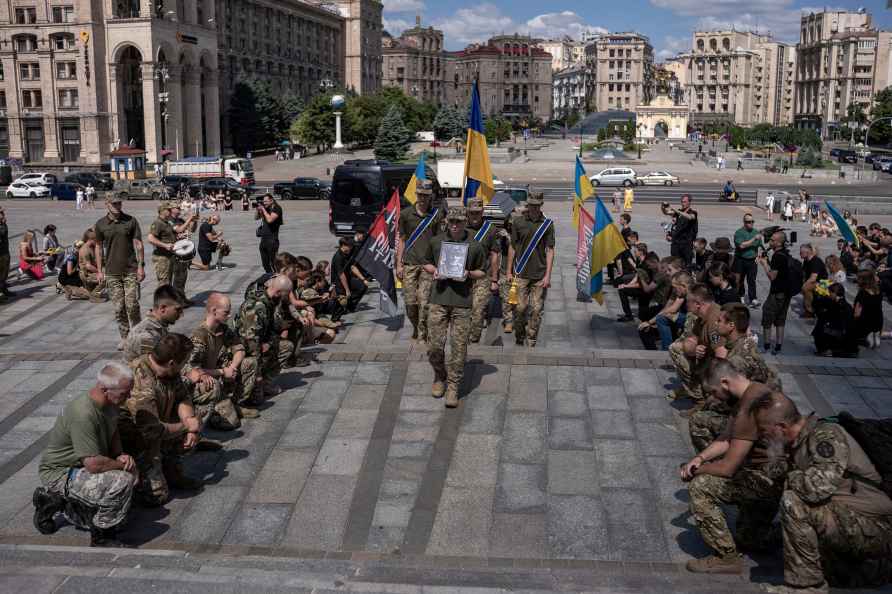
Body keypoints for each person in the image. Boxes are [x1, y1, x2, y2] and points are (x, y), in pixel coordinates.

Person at [752, 394, 892, 593]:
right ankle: (875, 569)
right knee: (837, 574)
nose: (762, 436)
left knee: (794, 502)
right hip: (854, 519)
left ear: (781, 427)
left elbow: (817, 488)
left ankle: (807, 587)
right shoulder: (797, 442)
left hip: (878, 526)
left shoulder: (825, 436)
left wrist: (790, 476)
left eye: (764, 431)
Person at [681, 365, 788, 574]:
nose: (715, 398)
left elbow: (727, 468)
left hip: (766, 481)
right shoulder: (753, 391)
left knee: (700, 487)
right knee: (750, 540)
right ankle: (782, 532)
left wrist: (697, 471)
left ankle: (726, 558)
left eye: (713, 392)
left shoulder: (749, 407)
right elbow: (726, 438)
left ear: (724, 383)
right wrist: (699, 458)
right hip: (767, 476)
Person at [34, 361, 138, 547]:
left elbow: (113, 430)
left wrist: (120, 454)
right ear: (105, 389)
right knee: (122, 481)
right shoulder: (83, 414)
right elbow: (93, 464)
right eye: (124, 393)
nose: (129, 396)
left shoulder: (112, 403)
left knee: (124, 509)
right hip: (61, 472)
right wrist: (124, 466)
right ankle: (102, 536)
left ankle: (70, 504)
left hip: (82, 465)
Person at [119, 334, 207, 506]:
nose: (186, 366)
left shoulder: (169, 371)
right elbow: (151, 431)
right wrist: (186, 426)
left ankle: (171, 468)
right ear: (172, 362)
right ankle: (131, 483)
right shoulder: (141, 380)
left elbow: (182, 397)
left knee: (192, 419)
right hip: (138, 441)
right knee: (157, 497)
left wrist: (191, 426)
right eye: (185, 362)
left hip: (161, 429)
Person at [422, 207, 487, 407]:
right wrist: (435, 271)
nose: (455, 225)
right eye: (452, 222)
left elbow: (482, 272)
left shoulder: (474, 245)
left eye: (459, 221)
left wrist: (468, 274)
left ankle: (453, 386)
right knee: (434, 346)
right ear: (447, 223)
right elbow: (426, 263)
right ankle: (440, 376)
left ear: (465, 221)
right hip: (439, 299)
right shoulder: (436, 242)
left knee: (458, 349)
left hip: (462, 303)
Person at [187, 293, 259, 430]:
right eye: (226, 312)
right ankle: (211, 414)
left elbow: (240, 349)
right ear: (214, 311)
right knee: (231, 424)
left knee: (250, 362)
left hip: (222, 375)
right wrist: (221, 372)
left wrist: (232, 367)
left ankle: (236, 404)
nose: (230, 315)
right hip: (207, 382)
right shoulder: (199, 337)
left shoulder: (223, 329)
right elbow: (192, 370)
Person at [94, 195, 144, 347]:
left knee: (132, 305)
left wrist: (141, 266)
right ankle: (125, 336)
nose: (117, 206)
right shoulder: (101, 224)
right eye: (114, 203)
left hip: (130, 269)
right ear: (107, 204)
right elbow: (97, 246)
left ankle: (137, 335)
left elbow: (139, 244)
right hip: (111, 271)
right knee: (118, 307)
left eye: (119, 203)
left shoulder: (130, 221)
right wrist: (99, 270)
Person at [396, 180, 443, 342]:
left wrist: (439, 265)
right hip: (409, 264)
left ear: (430, 197)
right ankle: (416, 327)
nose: (423, 198)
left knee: (424, 304)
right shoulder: (406, 214)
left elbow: (439, 242)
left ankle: (424, 334)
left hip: (427, 266)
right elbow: (401, 240)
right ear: (416, 195)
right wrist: (398, 265)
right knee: (410, 304)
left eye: (426, 196)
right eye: (420, 195)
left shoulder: (436, 215)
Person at [506, 192, 554, 347]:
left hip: (539, 274)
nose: (534, 207)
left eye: (537, 205)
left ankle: (531, 338)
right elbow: (512, 247)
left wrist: (548, 276)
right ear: (528, 205)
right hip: (520, 273)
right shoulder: (518, 222)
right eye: (531, 204)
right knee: (519, 308)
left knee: (536, 309)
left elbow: (550, 250)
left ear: (541, 205)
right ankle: (519, 335)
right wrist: (508, 271)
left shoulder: (547, 224)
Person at [237, 274, 293, 399]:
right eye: (286, 294)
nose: (287, 297)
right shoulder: (256, 307)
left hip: (261, 344)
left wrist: (270, 342)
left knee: (286, 346)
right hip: (245, 351)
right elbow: (251, 342)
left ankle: (265, 384)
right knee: (257, 400)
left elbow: (273, 328)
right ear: (278, 292)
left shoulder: (270, 301)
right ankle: (246, 390)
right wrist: (257, 374)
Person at [667, 284, 723, 406]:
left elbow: (722, 355)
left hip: (721, 366)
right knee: (676, 348)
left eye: (688, 301)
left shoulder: (714, 320)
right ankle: (696, 391)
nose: (686, 304)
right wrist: (695, 348)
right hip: (709, 358)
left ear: (698, 304)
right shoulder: (701, 317)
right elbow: (690, 340)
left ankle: (702, 400)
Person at [465, 199, 499, 343]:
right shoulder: (461, 227)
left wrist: (494, 280)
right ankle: (463, 339)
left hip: (482, 276)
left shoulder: (490, 229)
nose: (474, 216)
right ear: (467, 212)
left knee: (478, 311)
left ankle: (474, 340)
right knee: (463, 312)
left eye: (477, 213)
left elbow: (495, 254)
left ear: (482, 212)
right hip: (462, 277)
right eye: (472, 213)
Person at [122, 285, 183, 363]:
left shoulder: (159, 326)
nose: (181, 314)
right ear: (162, 308)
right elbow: (162, 366)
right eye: (178, 309)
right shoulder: (146, 336)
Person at [638, 270, 692, 351]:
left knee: (662, 318)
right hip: (686, 319)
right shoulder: (682, 293)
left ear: (683, 286)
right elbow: (670, 308)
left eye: (675, 287)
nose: (674, 290)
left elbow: (673, 310)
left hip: (693, 320)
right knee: (659, 319)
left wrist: (652, 321)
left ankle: (666, 350)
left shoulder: (692, 293)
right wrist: (650, 322)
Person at [759, 231, 791, 355]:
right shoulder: (785, 254)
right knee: (780, 319)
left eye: (772, 240)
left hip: (777, 293)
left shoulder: (778, 256)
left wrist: (764, 264)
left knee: (767, 316)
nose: (770, 241)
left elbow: (772, 276)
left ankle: (766, 346)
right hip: (786, 293)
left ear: (778, 242)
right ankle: (778, 346)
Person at [812, 283, 858, 357]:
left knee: (820, 327)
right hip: (841, 333)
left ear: (835, 293)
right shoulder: (838, 303)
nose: (829, 295)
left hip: (841, 335)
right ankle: (828, 349)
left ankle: (829, 350)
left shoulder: (842, 306)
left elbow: (842, 324)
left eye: (830, 293)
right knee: (821, 323)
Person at [331, 236, 369, 313]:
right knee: (344, 296)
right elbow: (341, 275)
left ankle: (350, 306)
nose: (351, 248)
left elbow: (352, 267)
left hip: (348, 278)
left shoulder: (348, 254)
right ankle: (342, 308)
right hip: (339, 281)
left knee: (362, 287)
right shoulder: (338, 257)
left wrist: (363, 279)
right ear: (343, 245)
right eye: (350, 246)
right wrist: (347, 290)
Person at [169, 202, 197, 304]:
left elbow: (191, 229)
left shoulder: (180, 220)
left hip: (183, 251)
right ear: (171, 209)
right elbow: (179, 229)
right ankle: (178, 300)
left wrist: (194, 221)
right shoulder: (170, 220)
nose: (179, 209)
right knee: (178, 277)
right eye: (177, 207)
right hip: (176, 252)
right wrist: (189, 218)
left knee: (183, 276)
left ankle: (182, 297)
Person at [733, 213, 762, 307]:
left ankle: (753, 298)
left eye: (752, 221)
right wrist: (753, 239)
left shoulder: (755, 232)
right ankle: (741, 295)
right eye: (749, 222)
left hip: (752, 260)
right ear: (744, 222)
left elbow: (759, 246)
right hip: (740, 259)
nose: (751, 223)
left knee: (751, 280)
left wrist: (759, 256)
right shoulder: (739, 232)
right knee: (740, 279)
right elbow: (741, 245)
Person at [147, 202, 177, 286]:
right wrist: (165, 245)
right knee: (163, 283)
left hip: (168, 256)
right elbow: (150, 238)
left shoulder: (167, 222)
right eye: (169, 209)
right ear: (162, 211)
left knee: (168, 281)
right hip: (161, 257)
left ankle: (167, 298)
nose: (171, 211)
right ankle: (162, 298)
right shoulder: (158, 223)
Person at [662, 195, 698, 266]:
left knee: (687, 264)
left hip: (687, 244)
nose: (682, 203)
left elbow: (689, 217)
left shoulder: (693, 212)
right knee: (675, 263)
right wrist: (663, 206)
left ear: (689, 202)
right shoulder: (678, 212)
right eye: (682, 202)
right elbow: (666, 212)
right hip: (676, 243)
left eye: (684, 202)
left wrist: (676, 210)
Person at [854, 269, 883, 349]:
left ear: (863, 280)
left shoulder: (862, 293)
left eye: (858, 278)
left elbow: (857, 313)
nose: (857, 280)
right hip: (878, 321)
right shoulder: (878, 291)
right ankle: (875, 334)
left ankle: (867, 336)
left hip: (865, 322)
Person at [256, 193, 283, 273]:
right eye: (263, 202)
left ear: (271, 200)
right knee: (265, 263)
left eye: (266, 201)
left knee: (274, 263)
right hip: (263, 240)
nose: (264, 203)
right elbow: (256, 218)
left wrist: (263, 210)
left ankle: (278, 278)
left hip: (272, 240)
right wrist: (258, 210)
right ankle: (270, 277)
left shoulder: (277, 208)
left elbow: (270, 220)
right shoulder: (266, 208)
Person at [799, 243, 827, 319]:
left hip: (824, 283)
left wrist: (803, 285)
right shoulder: (806, 261)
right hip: (816, 282)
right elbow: (804, 274)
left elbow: (813, 278)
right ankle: (809, 307)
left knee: (806, 288)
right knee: (804, 286)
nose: (799, 254)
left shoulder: (815, 261)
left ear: (807, 253)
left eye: (801, 252)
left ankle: (810, 311)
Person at [78, 228, 104, 302]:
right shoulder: (85, 250)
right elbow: (88, 266)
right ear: (91, 239)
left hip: (91, 272)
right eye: (96, 240)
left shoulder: (91, 247)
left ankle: (93, 291)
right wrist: (100, 272)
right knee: (106, 278)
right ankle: (93, 294)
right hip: (87, 274)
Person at [0, 207, 11, 300]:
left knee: (5, 272)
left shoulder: (2, 224)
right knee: (1, 273)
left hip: (5, 252)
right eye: (1, 213)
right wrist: (3, 223)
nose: (3, 214)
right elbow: (2, 234)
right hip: (1, 254)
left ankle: (4, 290)